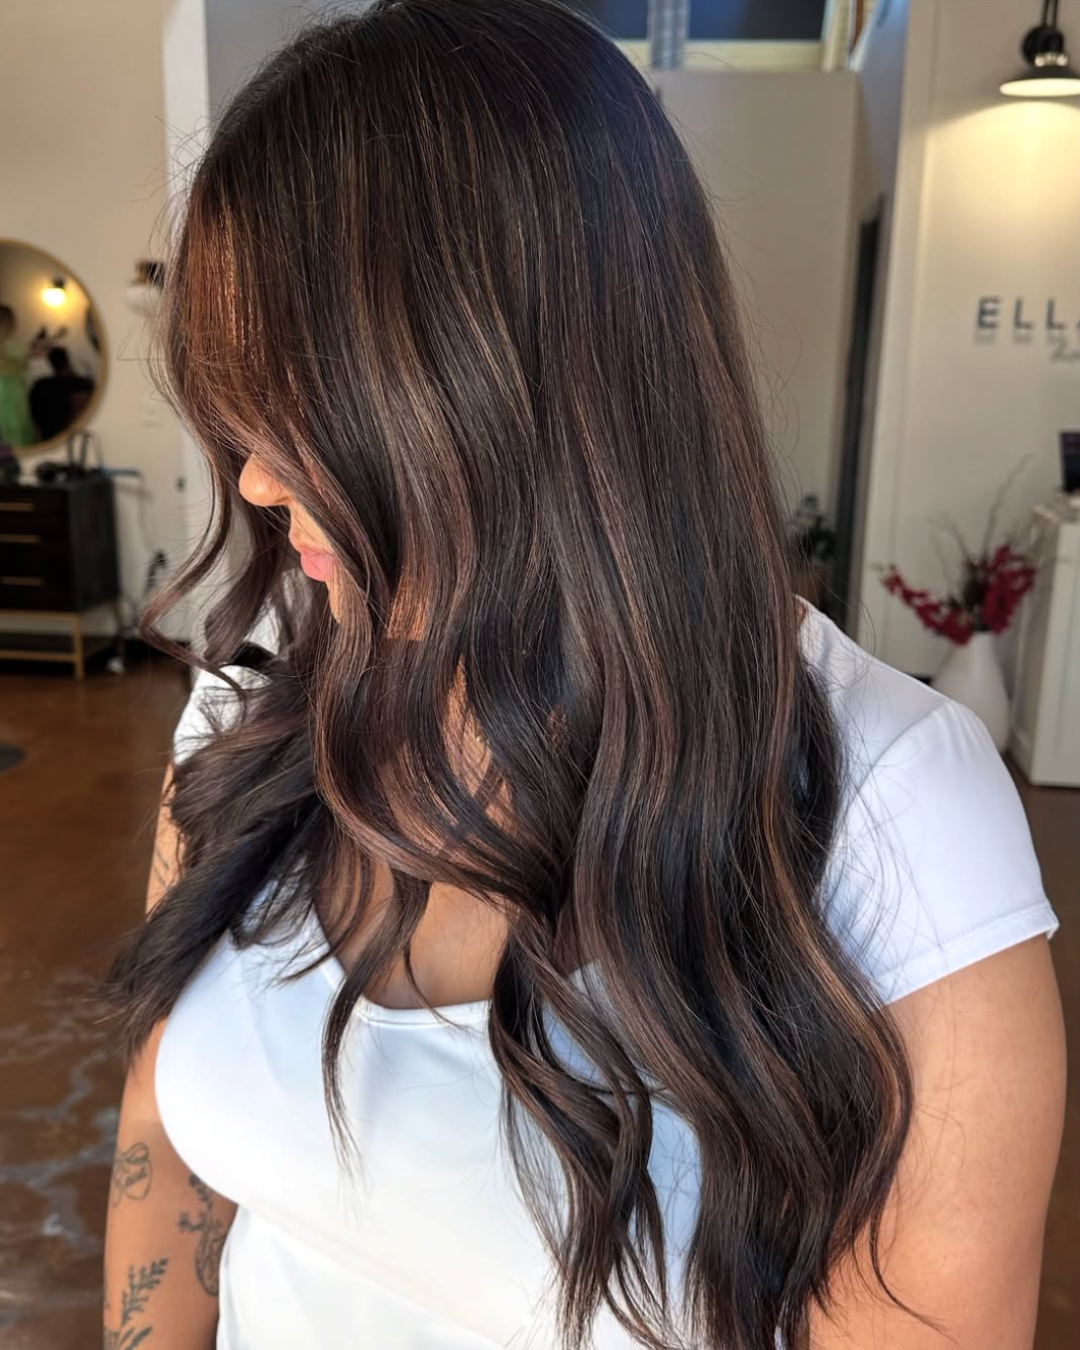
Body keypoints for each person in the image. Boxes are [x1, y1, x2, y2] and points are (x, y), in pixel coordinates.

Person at [101, 4, 1065, 1348]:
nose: (254, 478)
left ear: (514, 374)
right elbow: (165, 1143)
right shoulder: (250, 706)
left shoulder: (895, 815)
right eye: (235, 403)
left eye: (302, 395)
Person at [29, 345, 94, 441]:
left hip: (49, 439)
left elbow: (34, 418)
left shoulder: (40, 386)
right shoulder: (81, 384)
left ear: (50, 363)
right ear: (68, 361)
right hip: (78, 437)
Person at [0, 305, 37, 448]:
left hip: (12, 390)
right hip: (13, 392)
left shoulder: (17, 346)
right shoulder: (17, 346)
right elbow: (24, 364)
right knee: (17, 432)